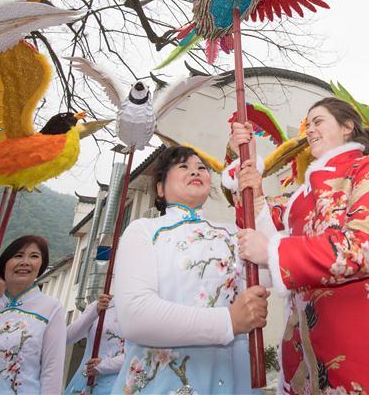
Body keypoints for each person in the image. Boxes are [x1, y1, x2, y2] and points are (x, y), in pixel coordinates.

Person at [233, 97, 369, 394]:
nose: (309, 130)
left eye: (318, 121)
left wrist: (271, 251)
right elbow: (264, 226)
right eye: (307, 125)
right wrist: (248, 167)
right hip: (311, 346)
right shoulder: (300, 198)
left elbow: (362, 248)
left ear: (347, 127)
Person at [111, 145, 269, 394]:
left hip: (233, 380)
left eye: (201, 168)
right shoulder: (144, 231)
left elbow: (267, 276)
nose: (195, 171)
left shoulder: (232, 233)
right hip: (160, 383)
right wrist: (228, 321)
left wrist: (258, 201)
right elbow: (136, 315)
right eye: (183, 166)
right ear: (160, 188)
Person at [0, 235, 66, 393]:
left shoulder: (51, 308)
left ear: (41, 265)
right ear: (4, 264)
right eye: (18, 255)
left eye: (34, 256)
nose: (25, 262)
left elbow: (52, 372)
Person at [64, 293, 125, 395]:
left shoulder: (144, 308)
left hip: (123, 384)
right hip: (87, 382)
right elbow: (67, 337)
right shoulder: (102, 303)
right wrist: (94, 312)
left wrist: (104, 366)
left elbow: (142, 353)